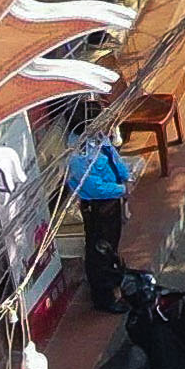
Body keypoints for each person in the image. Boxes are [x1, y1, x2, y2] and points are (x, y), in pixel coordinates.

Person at [69, 133, 134, 310]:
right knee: (99, 251)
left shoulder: (97, 136)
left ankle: (114, 283)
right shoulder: (78, 153)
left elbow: (114, 157)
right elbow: (93, 187)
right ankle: (104, 297)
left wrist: (126, 178)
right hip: (98, 206)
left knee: (110, 247)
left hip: (112, 201)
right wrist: (122, 189)